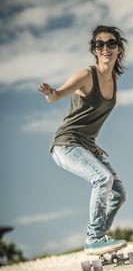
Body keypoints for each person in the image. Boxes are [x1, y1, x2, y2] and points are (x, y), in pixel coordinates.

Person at [38, 25, 128, 255]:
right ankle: (95, 237)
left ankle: (99, 240)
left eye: (111, 43)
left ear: (119, 49)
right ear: (95, 50)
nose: (106, 48)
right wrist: (51, 93)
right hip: (65, 144)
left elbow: (90, 118)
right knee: (102, 179)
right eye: (100, 44)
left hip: (85, 145)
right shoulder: (87, 75)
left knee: (118, 193)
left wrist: (91, 142)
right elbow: (58, 95)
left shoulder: (115, 79)